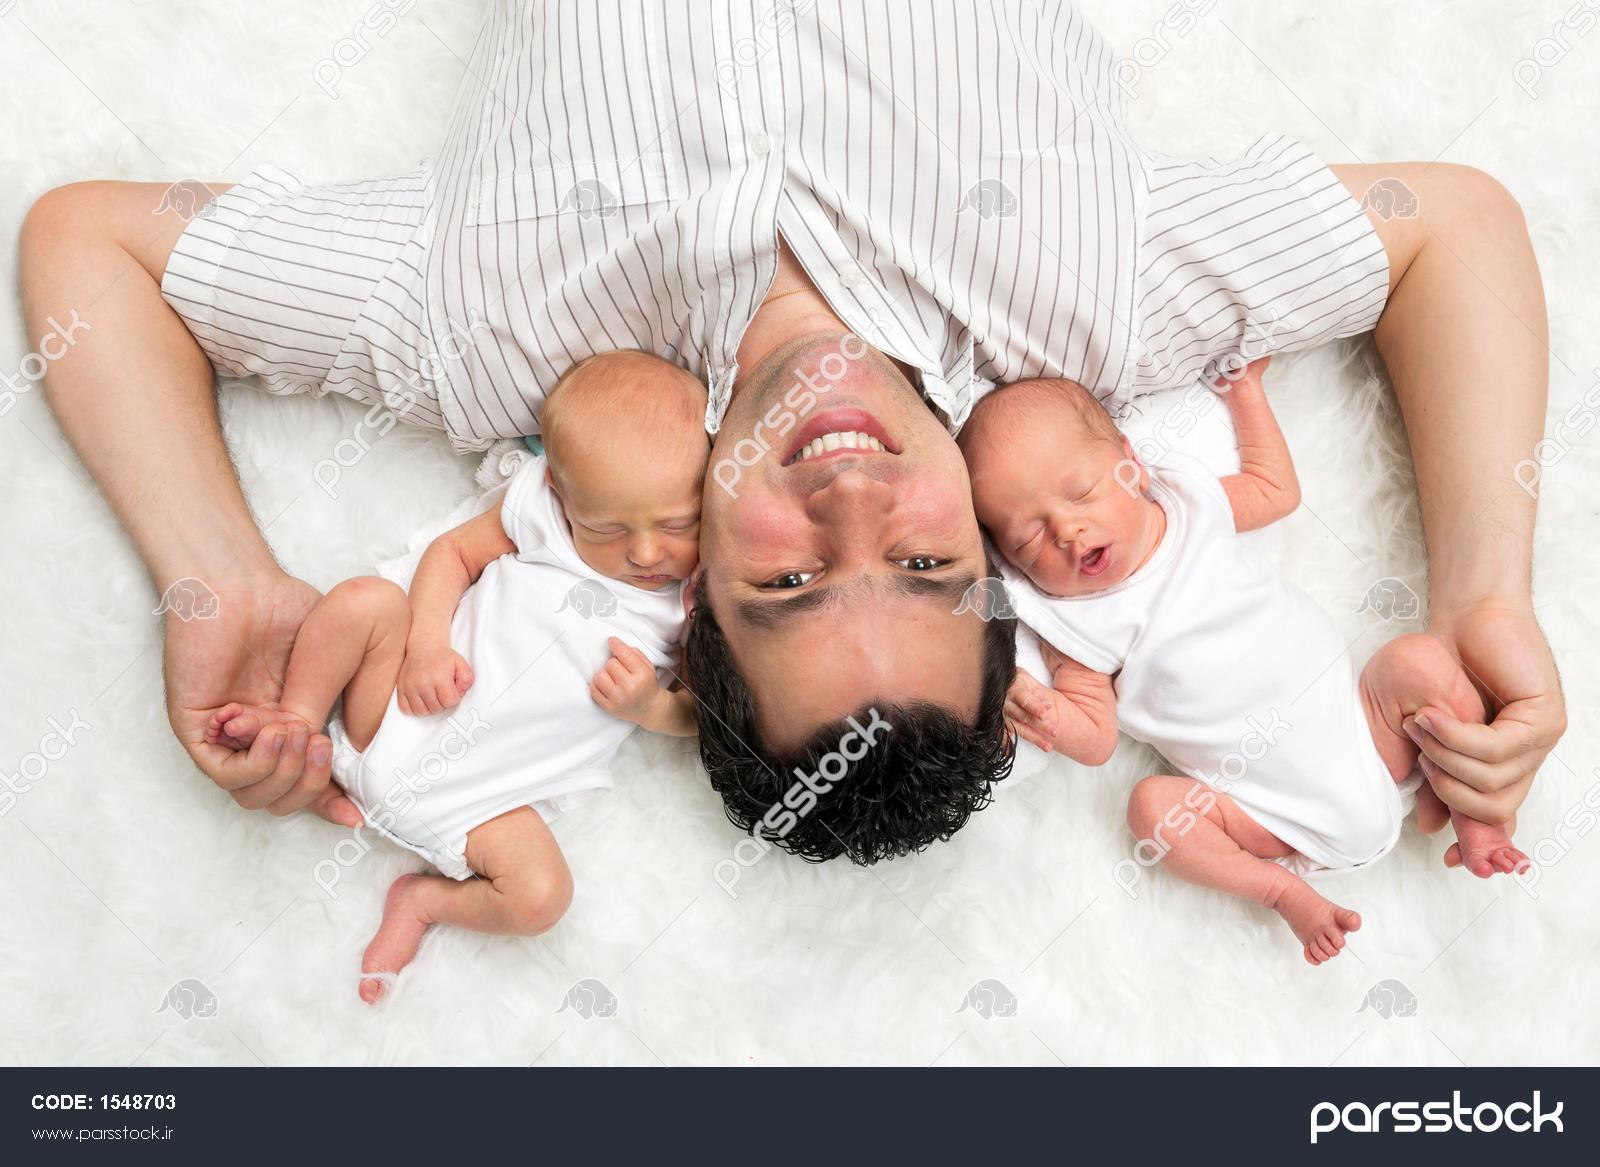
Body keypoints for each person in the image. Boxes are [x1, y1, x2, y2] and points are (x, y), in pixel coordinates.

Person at [17, 2, 1562, 856]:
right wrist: (1487, 592)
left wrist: (219, 575)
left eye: (790, 583)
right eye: (929, 566)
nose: (854, 501)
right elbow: (1454, 230)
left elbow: (91, 246)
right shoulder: (1096, 315)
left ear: (689, 593)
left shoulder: (484, 345)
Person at [964, 359, 1527, 965]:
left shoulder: (1189, 506)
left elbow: (1275, 489)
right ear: (1011, 561)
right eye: (1029, 539)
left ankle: (1475, 816)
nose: (1068, 530)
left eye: (1082, 493)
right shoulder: (1073, 622)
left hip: (1368, 733)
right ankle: (1283, 892)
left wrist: (1246, 395)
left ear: (1131, 465)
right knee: (1153, 812)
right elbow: (1096, 738)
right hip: (1263, 810)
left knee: (1419, 659)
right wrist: (1040, 707)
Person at [204, 351, 705, 1000]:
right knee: (364, 602)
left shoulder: (692, 601)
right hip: (388, 712)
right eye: (607, 528)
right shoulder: (542, 517)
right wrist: (426, 647)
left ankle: (423, 901)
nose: (645, 551)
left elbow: (702, 715)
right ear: (561, 495)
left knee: (541, 897)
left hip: (485, 805)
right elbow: (452, 553)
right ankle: (296, 721)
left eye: (677, 523)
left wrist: (652, 708)